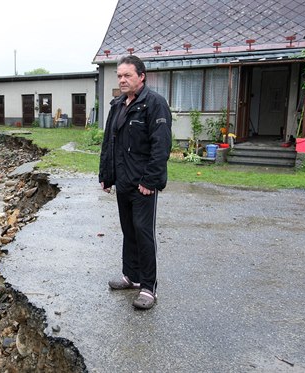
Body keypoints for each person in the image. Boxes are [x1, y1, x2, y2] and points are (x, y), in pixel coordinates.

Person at [99, 55, 172, 310]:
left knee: (143, 233)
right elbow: (110, 143)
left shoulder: (154, 104)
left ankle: (148, 288)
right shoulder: (118, 104)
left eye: (127, 75)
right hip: (123, 182)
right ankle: (130, 276)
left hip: (143, 185)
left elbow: (161, 146)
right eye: (119, 75)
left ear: (141, 76)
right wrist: (106, 176)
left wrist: (150, 180)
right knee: (128, 231)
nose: (122, 80)